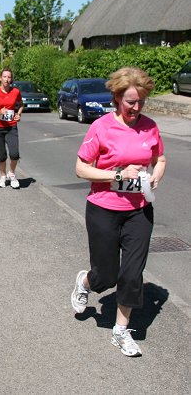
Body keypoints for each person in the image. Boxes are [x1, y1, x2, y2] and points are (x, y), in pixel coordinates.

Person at [71, 67, 166, 357]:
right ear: (116, 99)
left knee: (132, 273)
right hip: (103, 208)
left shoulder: (150, 126)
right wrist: (116, 175)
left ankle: (121, 331)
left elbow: (159, 158)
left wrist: (156, 175)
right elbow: (80, 168)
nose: (136, 108)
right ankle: (86, 282)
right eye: (130, 102)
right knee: (107, 275)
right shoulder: (101, 127)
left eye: (140, 102)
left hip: (139, 210)